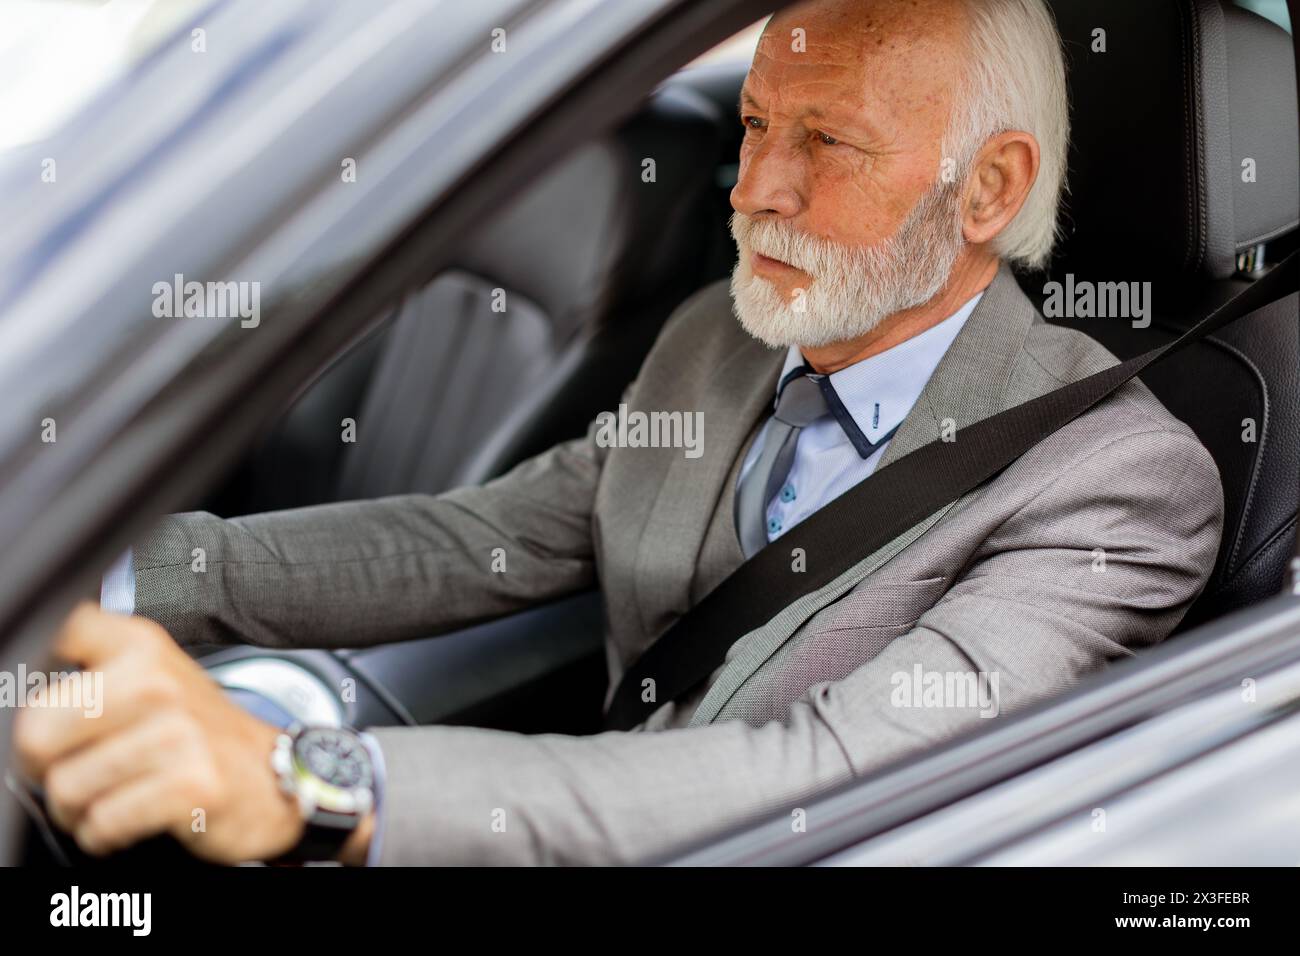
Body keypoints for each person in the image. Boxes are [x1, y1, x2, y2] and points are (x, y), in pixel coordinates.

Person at [14, 0, 1223, 865]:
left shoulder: (1116, 481)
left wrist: (316, 785)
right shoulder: (720, 336)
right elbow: (475, 539)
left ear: (989, 188)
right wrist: (107, 569)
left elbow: (824, 777)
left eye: (826, 142)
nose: (752, 190)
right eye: (755, 124)